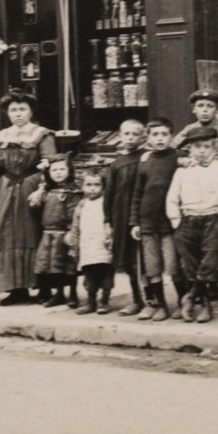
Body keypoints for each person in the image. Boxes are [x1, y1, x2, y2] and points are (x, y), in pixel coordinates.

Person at [165, 126, 218, 323]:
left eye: (207, 146)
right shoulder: (182, 172)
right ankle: (204, 303)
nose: (202, 150)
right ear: (190, 149)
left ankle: (190, 297)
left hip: (212, 220)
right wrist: (176, 221)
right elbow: (172, 198)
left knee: (209, 262)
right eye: (197, 146)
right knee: (191, 265)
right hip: (187, 221)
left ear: (214, 148)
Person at [0, 89, 55, 306]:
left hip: (31, 189)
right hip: (6, 190)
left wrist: (42, 189)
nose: (18, 114)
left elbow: (50, 162)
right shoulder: (0, 137)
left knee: (33, 234)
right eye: (13, 110)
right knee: (8, 236)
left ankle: (43, 288)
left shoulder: (42, 134)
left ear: (31, 111)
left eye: (22, 109)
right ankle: (16, 289)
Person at [130, 117, 188, 321]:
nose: (160, 138)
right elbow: (137, 193)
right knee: (152, 266)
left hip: (170, 223)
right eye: (155, 135)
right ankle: (161, 305)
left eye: (164, 134)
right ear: (148, 138)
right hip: (147, 223)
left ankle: (183, 302)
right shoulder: (145, 161)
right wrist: (134, 221)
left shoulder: (180, 157)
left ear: (172, 136)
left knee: (173, 266)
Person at [104, 118, 150, 316]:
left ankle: (152, 299)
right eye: (126, 134)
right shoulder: (116, 164)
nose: (130, 138)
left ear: (143, 137)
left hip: (141, 215)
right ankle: (137, 299)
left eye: (135, 134)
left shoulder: (146, 158)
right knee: (129, 261)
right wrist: (108, 220)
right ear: (120, 136)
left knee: (145, 260)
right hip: (121, 217)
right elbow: (109, 193)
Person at [31, 155, 81, 308]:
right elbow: (35, 207)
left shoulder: (72, 191)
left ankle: (73, 293)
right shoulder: (47, 191)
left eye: (62, 169)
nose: (58, 173)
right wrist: (40, 189)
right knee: (54, 267)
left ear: (69, 170)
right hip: (48, 234)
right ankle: (59, 294)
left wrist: (70, 231)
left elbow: (74, 212)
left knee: (69, 266)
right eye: (54, 170)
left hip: (64, 234)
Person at [66, 170, 114, 314]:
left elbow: (111, 222)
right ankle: (91, 302)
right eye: (89, 185)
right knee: (89, 277)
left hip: (103, 245)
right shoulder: (81, 205)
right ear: (83, 187)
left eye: (96, 185)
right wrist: (73, 245)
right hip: (87, 245)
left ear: (103, 187)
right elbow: (75, 226)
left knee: (106, 275)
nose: (92, 188)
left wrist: (112, 237)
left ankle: (104, 302)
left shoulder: (106, 203)